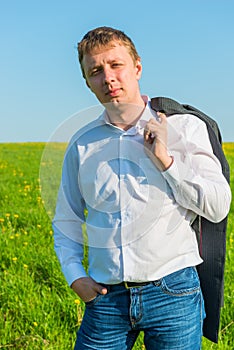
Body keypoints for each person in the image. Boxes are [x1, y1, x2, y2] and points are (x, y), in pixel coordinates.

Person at [53, 26, 231, 349]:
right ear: (87, 81)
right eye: (96, 71)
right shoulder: (82, 146)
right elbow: (66, 218)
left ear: (137, 67)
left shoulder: (185, 127)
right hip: (106, 301)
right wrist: (74, 275)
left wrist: (166, 161)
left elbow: (219, 205)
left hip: (173, 293)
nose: (108, 77)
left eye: (115, 64)